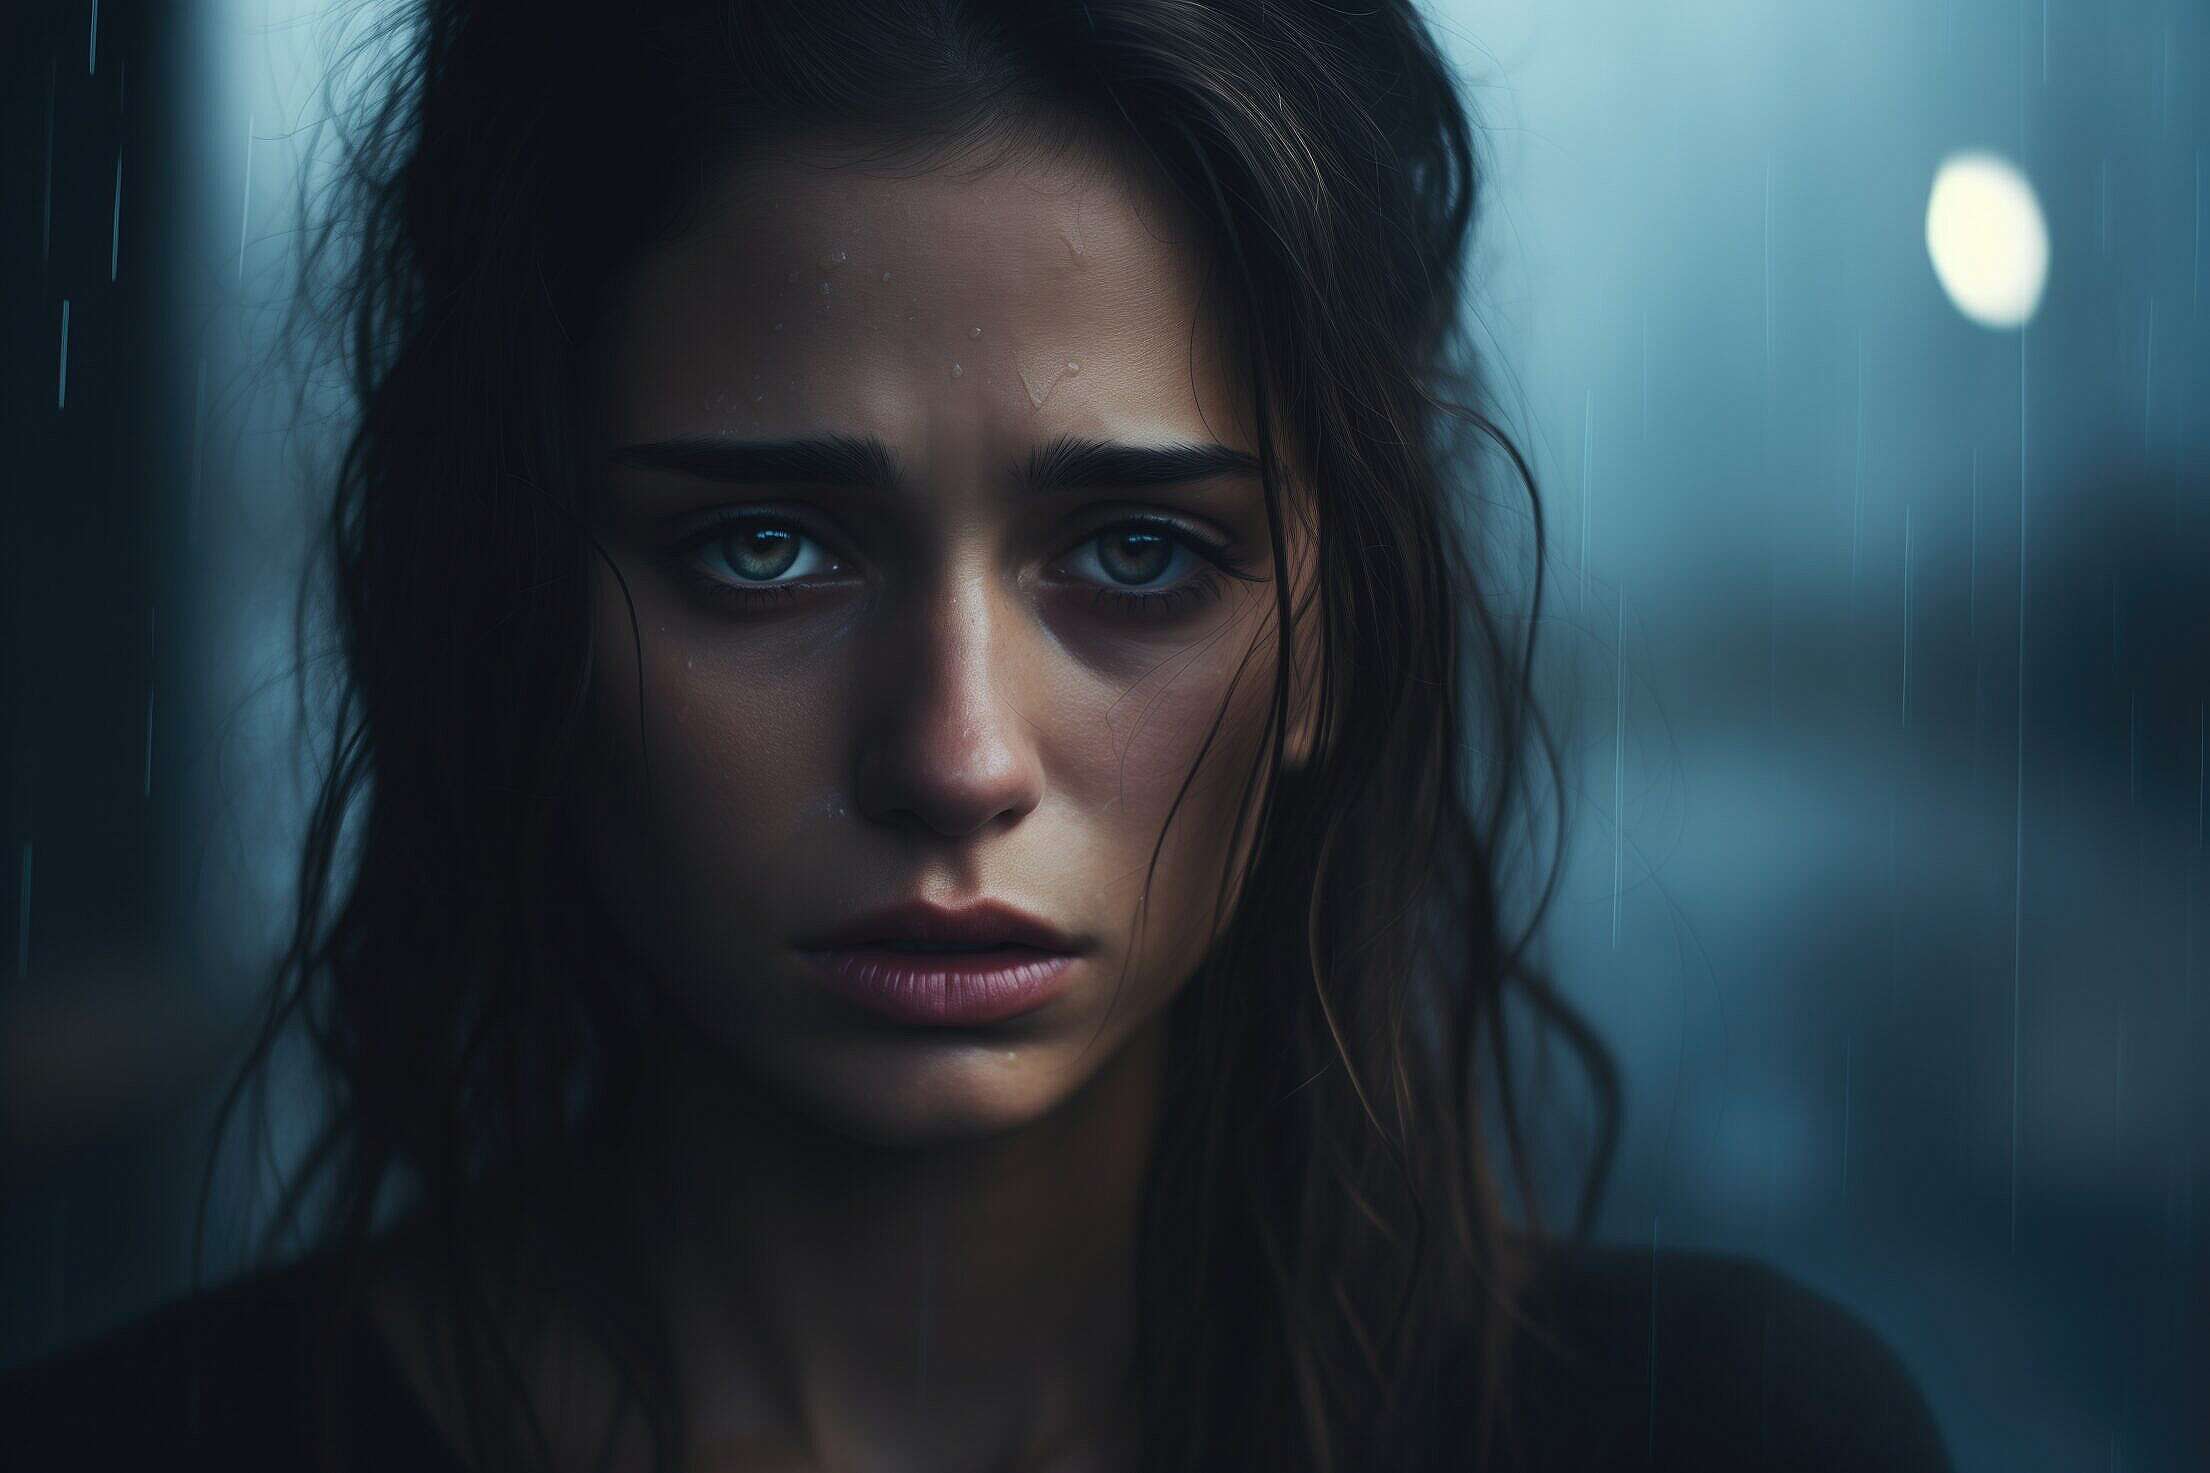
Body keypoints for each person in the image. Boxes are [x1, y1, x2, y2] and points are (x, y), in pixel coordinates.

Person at [1, 2, 1954, 1470]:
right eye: (760, 547)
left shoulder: (1717, 1440)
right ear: (512, 592)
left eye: (1132, 550)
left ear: (1337, 621)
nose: (951, 754)